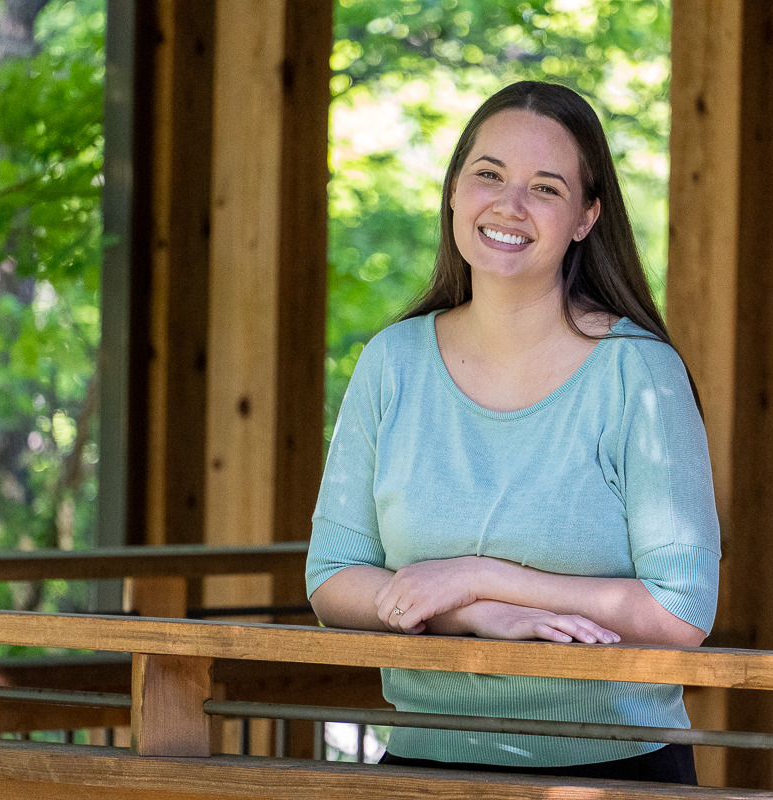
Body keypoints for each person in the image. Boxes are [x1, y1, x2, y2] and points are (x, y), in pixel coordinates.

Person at [306, 80, 720, 785]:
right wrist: (473, 615)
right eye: (489, 174)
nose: (510, 204)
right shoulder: (392, 362)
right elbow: (331, 577)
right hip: (422, 767)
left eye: (546, 188)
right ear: (454, 193)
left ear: (586, 217)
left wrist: (477, 577)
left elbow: (681, 611)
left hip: (614, 772)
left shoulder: (638, 374)